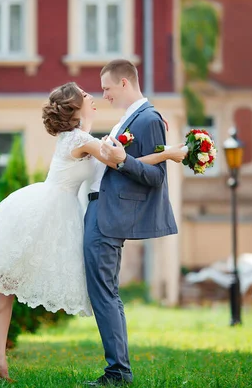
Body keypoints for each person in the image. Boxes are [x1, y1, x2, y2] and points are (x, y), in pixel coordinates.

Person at [0, 81, 186, 382]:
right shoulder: (80, 138)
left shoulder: (80, 138)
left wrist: (162, 153)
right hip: (45, 212)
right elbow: (117, 160)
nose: (92, 96)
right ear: (75, 107)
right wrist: (166, 155)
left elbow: (119, 164)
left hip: (51, 210)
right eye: (85, 95)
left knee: (5, 282)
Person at [83, 59, 180, 386]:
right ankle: (118, 370)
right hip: (100, 210)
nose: (105, 94)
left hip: (109, 215)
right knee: (105, 292)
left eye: (107, 88)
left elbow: (156, 177)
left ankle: (118, 372)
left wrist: (123, 160)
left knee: (104, 293)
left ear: (124, 83)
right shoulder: (128, 118)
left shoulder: (148, 119)